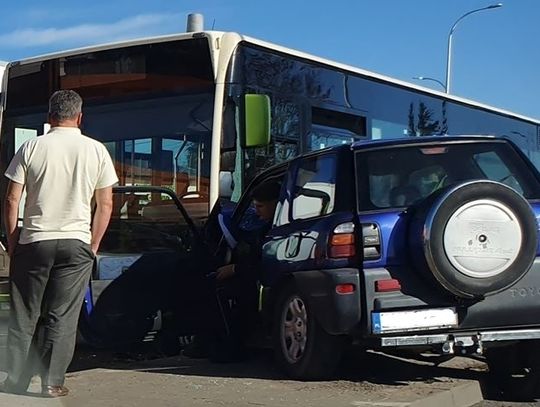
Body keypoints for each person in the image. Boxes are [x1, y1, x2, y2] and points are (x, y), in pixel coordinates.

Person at [0, 90, 118, 397]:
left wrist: (13, 241)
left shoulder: (31, 147)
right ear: (79, 116)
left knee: (25, 312)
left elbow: (12, 199)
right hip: (76, 241)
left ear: (50, 116)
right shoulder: (96, 150)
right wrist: (91, 247)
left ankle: (16, 379)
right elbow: (105, 204)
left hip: (35, 239)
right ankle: (52, 383)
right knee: (62, 315)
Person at [183, 180, 280, 361]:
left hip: (261, 281)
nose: (257, 212)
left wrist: (235, 268)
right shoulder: (267, 225)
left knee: (217, 290)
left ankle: (227, 347)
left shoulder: (277, 228)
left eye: (260, 206)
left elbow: (264, 262)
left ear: (276, 204)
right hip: (260, 279)